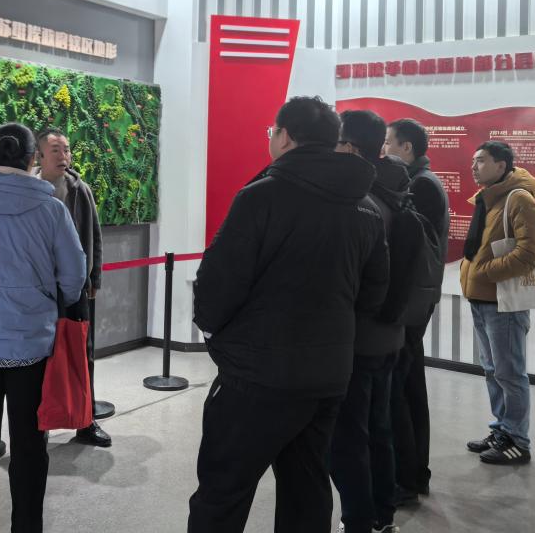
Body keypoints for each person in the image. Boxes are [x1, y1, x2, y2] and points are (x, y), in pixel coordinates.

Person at [189, 96, 389, 533]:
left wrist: (216, 334)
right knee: (307, 489)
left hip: (256, 374)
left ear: (284, 136)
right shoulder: (366, 207)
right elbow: (374, 294)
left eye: (272, 132)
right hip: (328, 375)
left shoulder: (262, 196)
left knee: (223, 492)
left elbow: (219, 283)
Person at [0, 123, 87, 533]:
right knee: (29, 444)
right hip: (32, 343)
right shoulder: (52, 209)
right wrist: (53, 299)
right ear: (32, 159)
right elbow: (74, 275)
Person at [331, 110, 415, 533]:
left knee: (350, 436)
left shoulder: (362, 201)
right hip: (391, 332)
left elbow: (356, 280)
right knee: (379, 429)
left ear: (349, 147)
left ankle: (360, 521)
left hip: (360, 338)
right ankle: (383, 515)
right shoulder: (397, 190)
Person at [461, 140, 535, 465]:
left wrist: (485, 272)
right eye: (474, 160)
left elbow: (530, 252)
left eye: (481, 160)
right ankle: (502, 430)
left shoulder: (518, 198)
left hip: (503, 303)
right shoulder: (488, 198)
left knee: (510, 374)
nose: (474, 166)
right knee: (493, 371)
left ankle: (518, 441)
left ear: (501, 165)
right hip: (482, 299)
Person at [384, 118, 449, 501]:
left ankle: (407, 476)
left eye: (389, 142)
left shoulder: (421, 185)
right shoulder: (423, 181)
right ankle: (413, 473)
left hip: (410, 301)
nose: (384, 149)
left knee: (402, 393)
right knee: (408, 388)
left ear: (406, 147)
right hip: (415, 299)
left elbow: (410, 249)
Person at [35, 126, 110, 448]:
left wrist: (94, 279)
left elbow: (95, 235)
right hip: (39, 289)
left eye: (66, 149)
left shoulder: (80, 190)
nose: (63, 156)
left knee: (82, 353)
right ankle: (39, 425)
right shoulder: (32, 190)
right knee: (40, 357)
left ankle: (85, 421)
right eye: (56, 150)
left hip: (77, 287)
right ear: (39, 155)